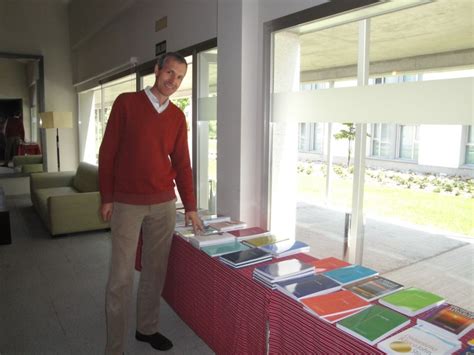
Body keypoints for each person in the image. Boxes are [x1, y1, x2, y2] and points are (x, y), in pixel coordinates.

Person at [98, 52, 203, 354]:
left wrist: (191, 207)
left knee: (155, 271)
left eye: (180, 77)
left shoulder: (177, 117)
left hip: (163, 205)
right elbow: (108, 153)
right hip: (127, 204)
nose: (174, 81)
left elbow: (182, 164)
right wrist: (107, 196)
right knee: (120, 277)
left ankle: (147, 328)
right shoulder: (126, 103)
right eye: (170, 73)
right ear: (157, 71)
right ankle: (114, 347)